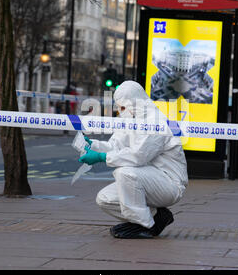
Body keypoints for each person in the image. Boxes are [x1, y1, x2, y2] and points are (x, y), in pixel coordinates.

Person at [79, 81, 188, 239]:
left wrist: (102, 157)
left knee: (125, 172)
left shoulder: (156, 121)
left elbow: (138, 156)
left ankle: (144, 225)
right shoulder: (131, 119)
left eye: (123, 107)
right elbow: (115, 145)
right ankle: (157, 216)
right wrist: (94, 146)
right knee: (105, 199)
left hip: (169, 183)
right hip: (147, 179)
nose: (120, 111)